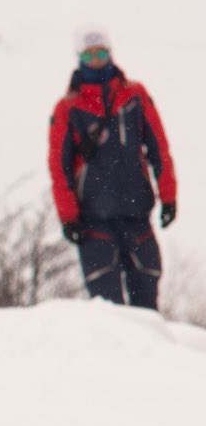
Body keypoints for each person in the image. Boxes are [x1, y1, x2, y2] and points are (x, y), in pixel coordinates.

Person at [48, 25, 177, 310]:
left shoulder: (135, 96)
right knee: (108, 313)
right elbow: (59, 168)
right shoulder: (67, 108)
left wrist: (168, 196)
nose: (96, 59)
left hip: (138, 215)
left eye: (101, 52)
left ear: (110, 53)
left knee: (147, 310)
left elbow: (159, 148)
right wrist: (68, 217)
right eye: (89, 54)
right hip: (93, 222)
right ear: (79, 57)